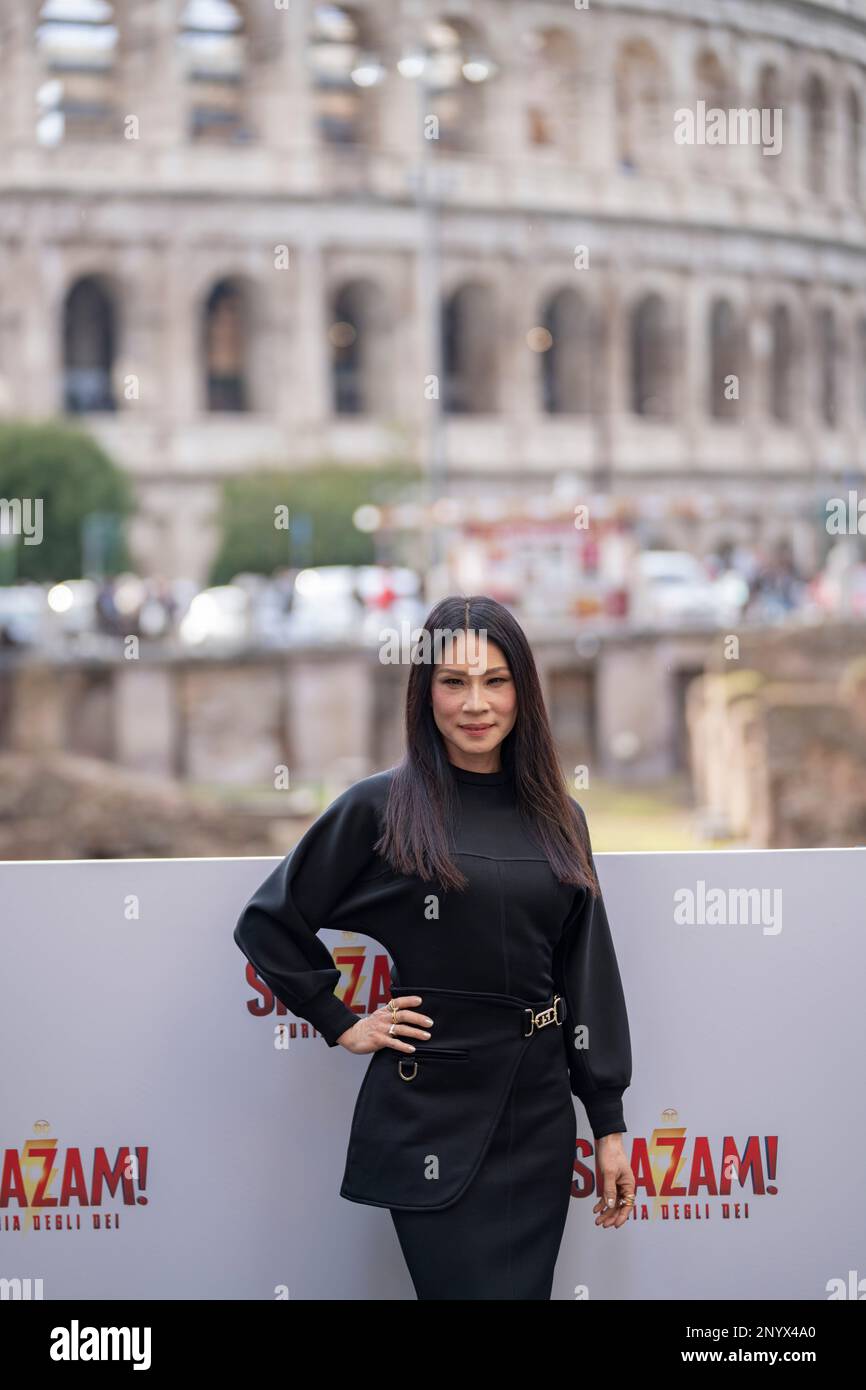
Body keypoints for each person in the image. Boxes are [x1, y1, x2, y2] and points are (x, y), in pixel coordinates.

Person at [233, 594, 634, 1299]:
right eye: (454, 682)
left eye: (495, 681)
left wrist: (608, 1123)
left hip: (537, 1114)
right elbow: (270, 920)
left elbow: (586, 969)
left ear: (523, 691)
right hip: (432, 1113)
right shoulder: (381, 807)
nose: (475, 704)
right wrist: (341, 1021)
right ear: (425, 692)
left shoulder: (560, 818)